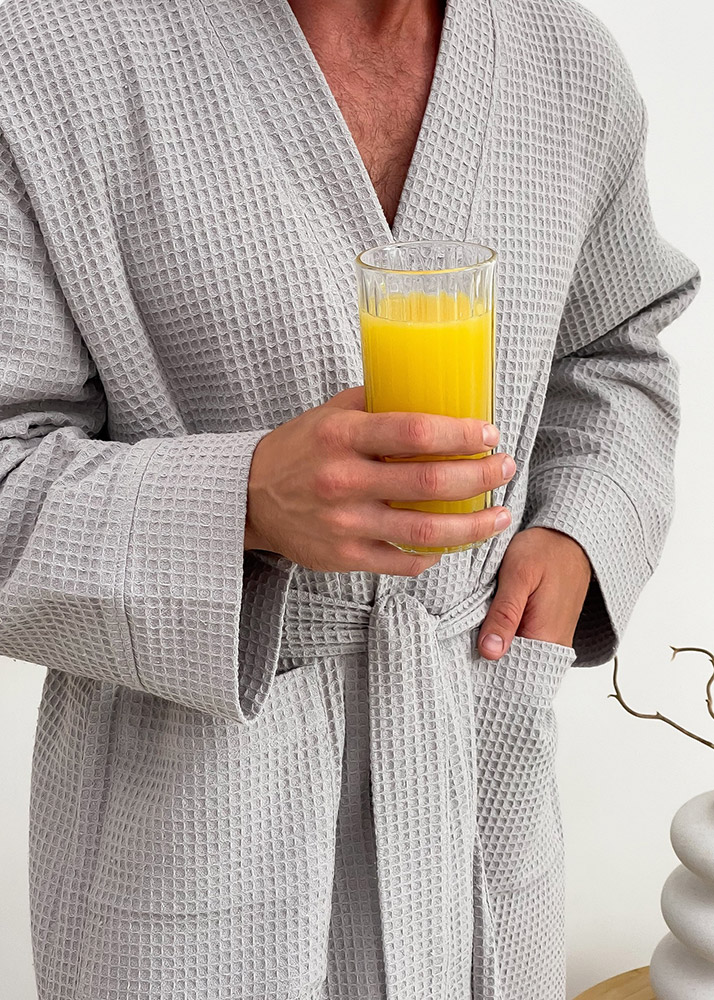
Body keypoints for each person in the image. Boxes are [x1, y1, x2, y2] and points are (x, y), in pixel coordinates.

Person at [0, 0, 699, 997]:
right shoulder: (44, 56)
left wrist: (578, 530)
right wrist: (243, 502)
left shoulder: (566, 62)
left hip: (476, 786)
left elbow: (616, 352)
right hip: (188, 840)